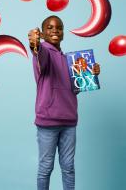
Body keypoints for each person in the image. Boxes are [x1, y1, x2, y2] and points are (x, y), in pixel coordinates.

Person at [28, 15, 100, 190]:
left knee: (68, 168)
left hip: (69, 121)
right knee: (46, 167)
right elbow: (39, 55)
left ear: (63, 33)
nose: (55, 31)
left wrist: (91, 75)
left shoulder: (71, 60)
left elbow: (74, 89)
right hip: (48, 122)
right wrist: (34, 45)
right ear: (43, 34)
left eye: (58, 28)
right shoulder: (43, 52)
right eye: (50, 28)